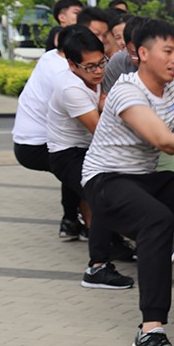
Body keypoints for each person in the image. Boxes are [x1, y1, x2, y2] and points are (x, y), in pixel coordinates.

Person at [81, 19, 174, 346]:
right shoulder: (127, 91)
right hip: (105, 181)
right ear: (141, 54)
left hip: (144, 177)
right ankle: (151, 331)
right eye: (167, 51)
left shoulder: (173, 88)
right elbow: (166, 142)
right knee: (157, 220)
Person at [45, 25, 133, 290]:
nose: (98, 71)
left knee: (99, 198)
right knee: (101, 196)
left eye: (101, 63)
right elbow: (102, 131)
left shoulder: (95, 78)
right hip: (67, 154)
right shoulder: (70, 88)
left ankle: (112, 246)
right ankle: (97, 268)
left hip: (87, 148)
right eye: (90, 67)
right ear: (72, 65)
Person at [103, 16, 174, 260]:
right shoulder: (122, 76)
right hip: (130, 155)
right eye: (133, 53)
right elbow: (107, 102)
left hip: (173, 137)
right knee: (153, 217)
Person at [13, 6, 109, 240]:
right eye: (97, 34)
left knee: (79, 167)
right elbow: (99, 128)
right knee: (86, 174)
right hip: (36, 144)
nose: (101, 40)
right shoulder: (67, 77)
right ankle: (95, 238)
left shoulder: (58, 59)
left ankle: (71, 222)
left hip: (43, 141)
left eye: (105, 35)